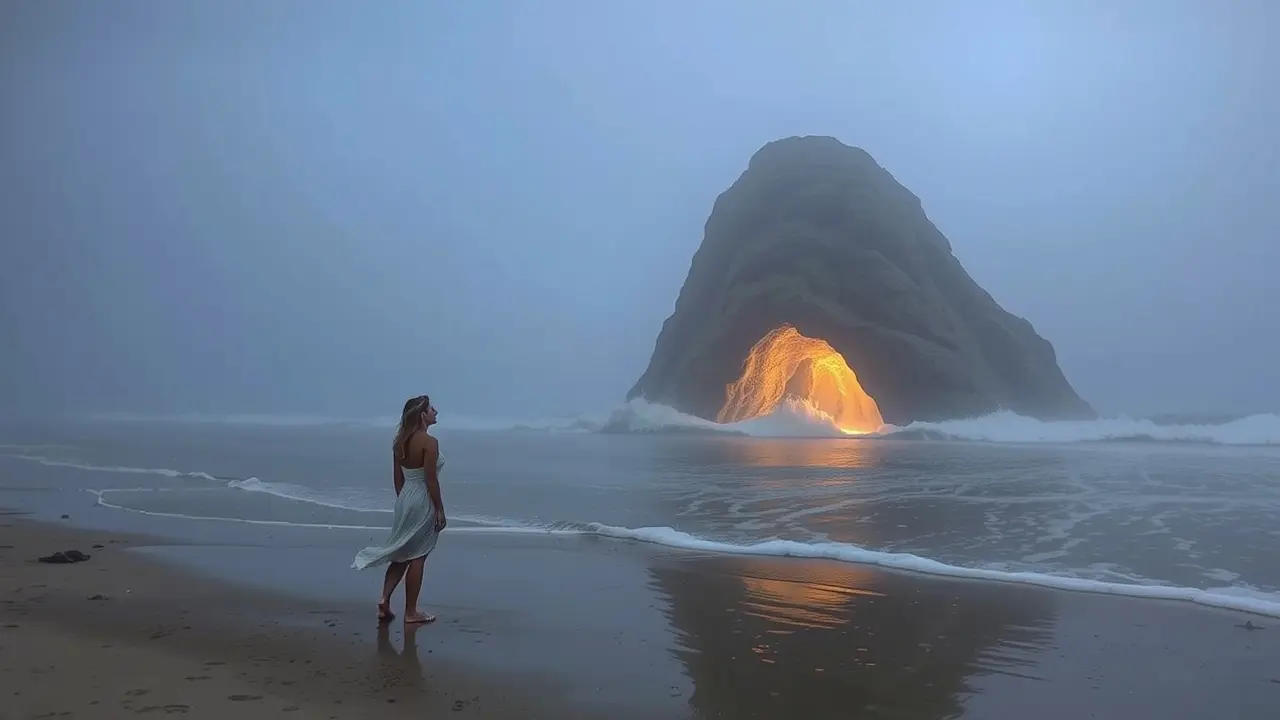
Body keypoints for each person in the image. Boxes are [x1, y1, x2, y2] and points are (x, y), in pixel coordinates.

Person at [352, 394, 447, 624]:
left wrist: (404, 502)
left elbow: (397, 478)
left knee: (401, 552)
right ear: (422, 415)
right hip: (423, 498)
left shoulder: (399, 441)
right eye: (431, 408)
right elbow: (431, 479)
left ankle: (384, 599)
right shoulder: (430, 443)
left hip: (405, 498)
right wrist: (439, 509)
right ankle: (411, 612)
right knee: (418, 555)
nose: (435, 411)